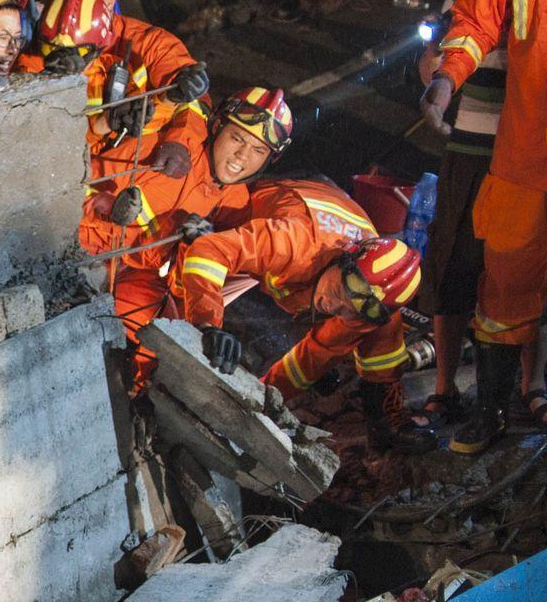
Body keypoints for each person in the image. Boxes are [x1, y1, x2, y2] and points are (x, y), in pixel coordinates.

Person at [422, 0, 547, 453]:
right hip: (519, 151)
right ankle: (489, 411)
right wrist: (446, 78)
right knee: (505, 283)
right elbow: (475, 21)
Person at [171, 179, 431, 452]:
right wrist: (208, 325)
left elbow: (314, 356)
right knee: (187, 279)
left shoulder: (361, 307)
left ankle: (386, 423)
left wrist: (258, 402)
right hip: (261, 213)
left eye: (354, 308)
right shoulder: (296, 242)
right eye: (344, 290)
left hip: (306, 261)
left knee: (385, 330)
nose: (336, 306)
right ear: (346, 258)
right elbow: (210, 251)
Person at [87, 86, 291, 393]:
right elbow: (78, 176)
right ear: (218, 128)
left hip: (135, 274)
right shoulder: (171, 149)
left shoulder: (234, 203)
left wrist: (209, 325)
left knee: (162, 327)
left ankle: (128, 398)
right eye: (237, 138)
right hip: (82, 253)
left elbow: (205, 273)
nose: (242, 156)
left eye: (258, 150)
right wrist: (102, 208)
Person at [49, 0, 210, 181]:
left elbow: (194, 100)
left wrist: (179, 140)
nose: (71, 6)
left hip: (132, 169)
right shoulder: (41, 49)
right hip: (70, 177)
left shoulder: (148, 43)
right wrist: (99, 126)